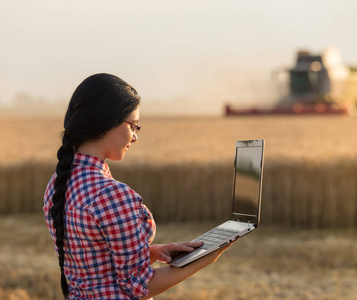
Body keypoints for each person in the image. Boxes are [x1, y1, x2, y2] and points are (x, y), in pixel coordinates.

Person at [43, 73, 230, 299]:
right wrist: (207, 258)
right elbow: (140, 287)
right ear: (108, 120)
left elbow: (92, 264)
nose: (135, 137)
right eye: (133, 126)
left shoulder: (56, 185)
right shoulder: (111, 194)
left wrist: (151, 252)